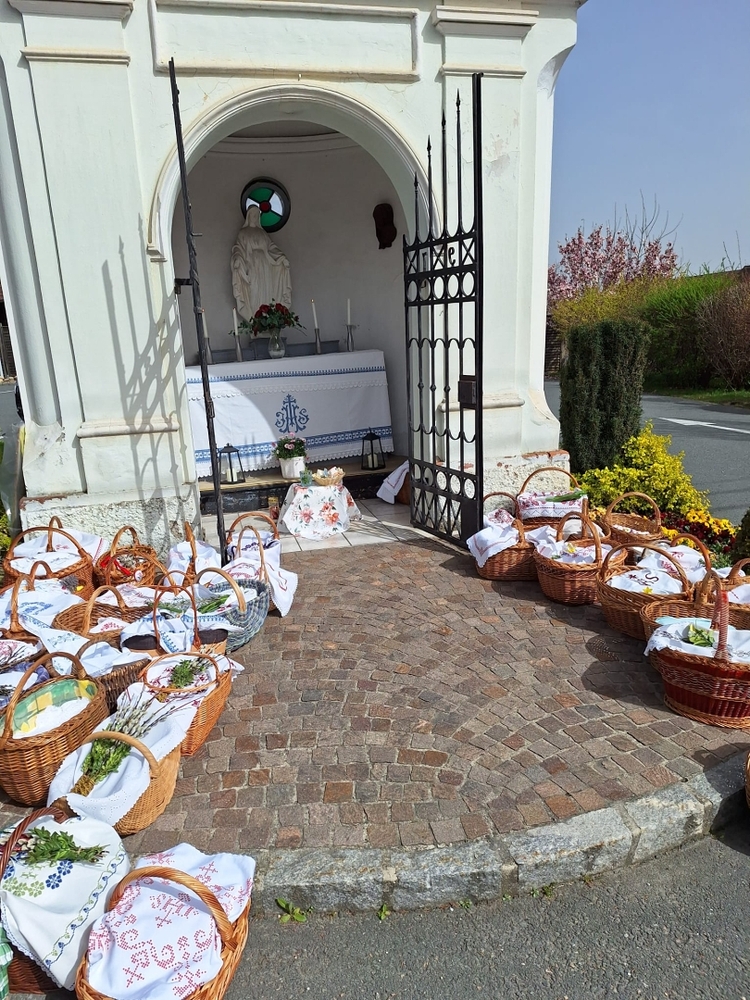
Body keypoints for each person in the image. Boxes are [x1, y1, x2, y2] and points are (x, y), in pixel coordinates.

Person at [230, 206, 292, 322]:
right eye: (253, 214)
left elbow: (271, 247)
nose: (255, 217)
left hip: (265, 266)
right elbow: (238, 248)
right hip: (252, 266)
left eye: (257, 215)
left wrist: (282, 258)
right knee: (254, 290)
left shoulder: (262, 233)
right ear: (248, 216)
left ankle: (268, 320)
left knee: (267, 291)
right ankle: (256, 321)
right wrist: (237, 259)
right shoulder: (243, 233)